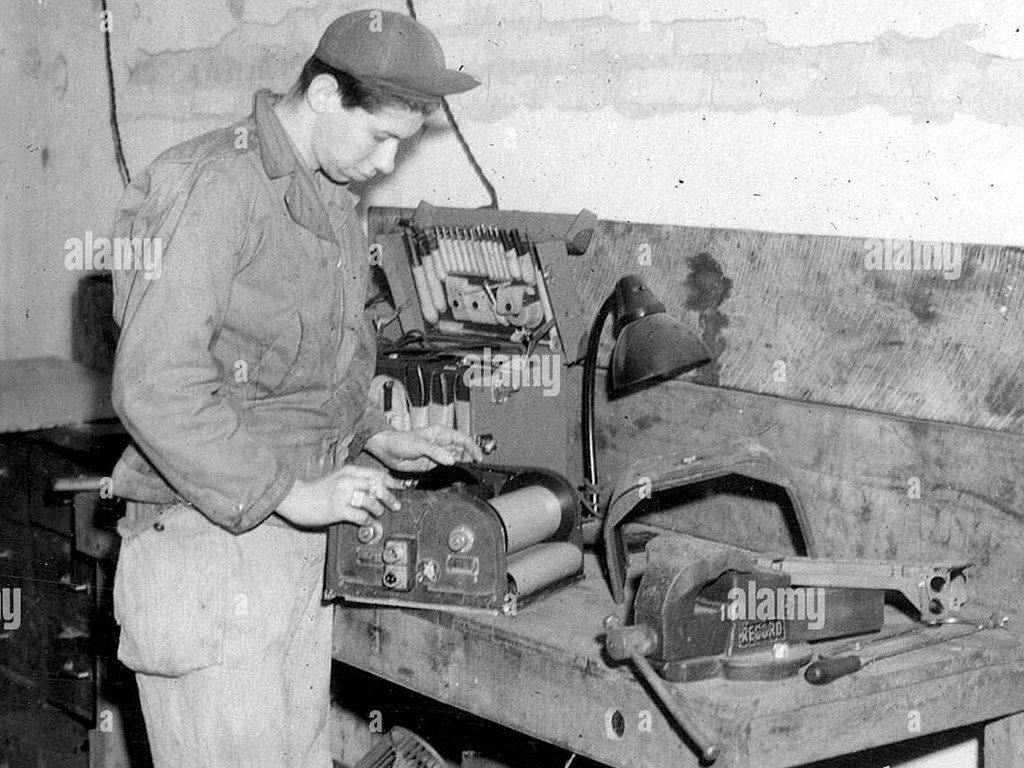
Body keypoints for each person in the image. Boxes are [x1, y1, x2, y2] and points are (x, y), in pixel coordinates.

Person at [108, 10, 482, 767]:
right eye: (379, 136)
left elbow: (322, 367)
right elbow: (154, 386)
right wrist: (288, 492)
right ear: (319, 95)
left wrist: (375, 433)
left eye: (400, 146)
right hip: (208, 547)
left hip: (292, 549)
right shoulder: (212, 185)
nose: (385, 163)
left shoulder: (331, 202)